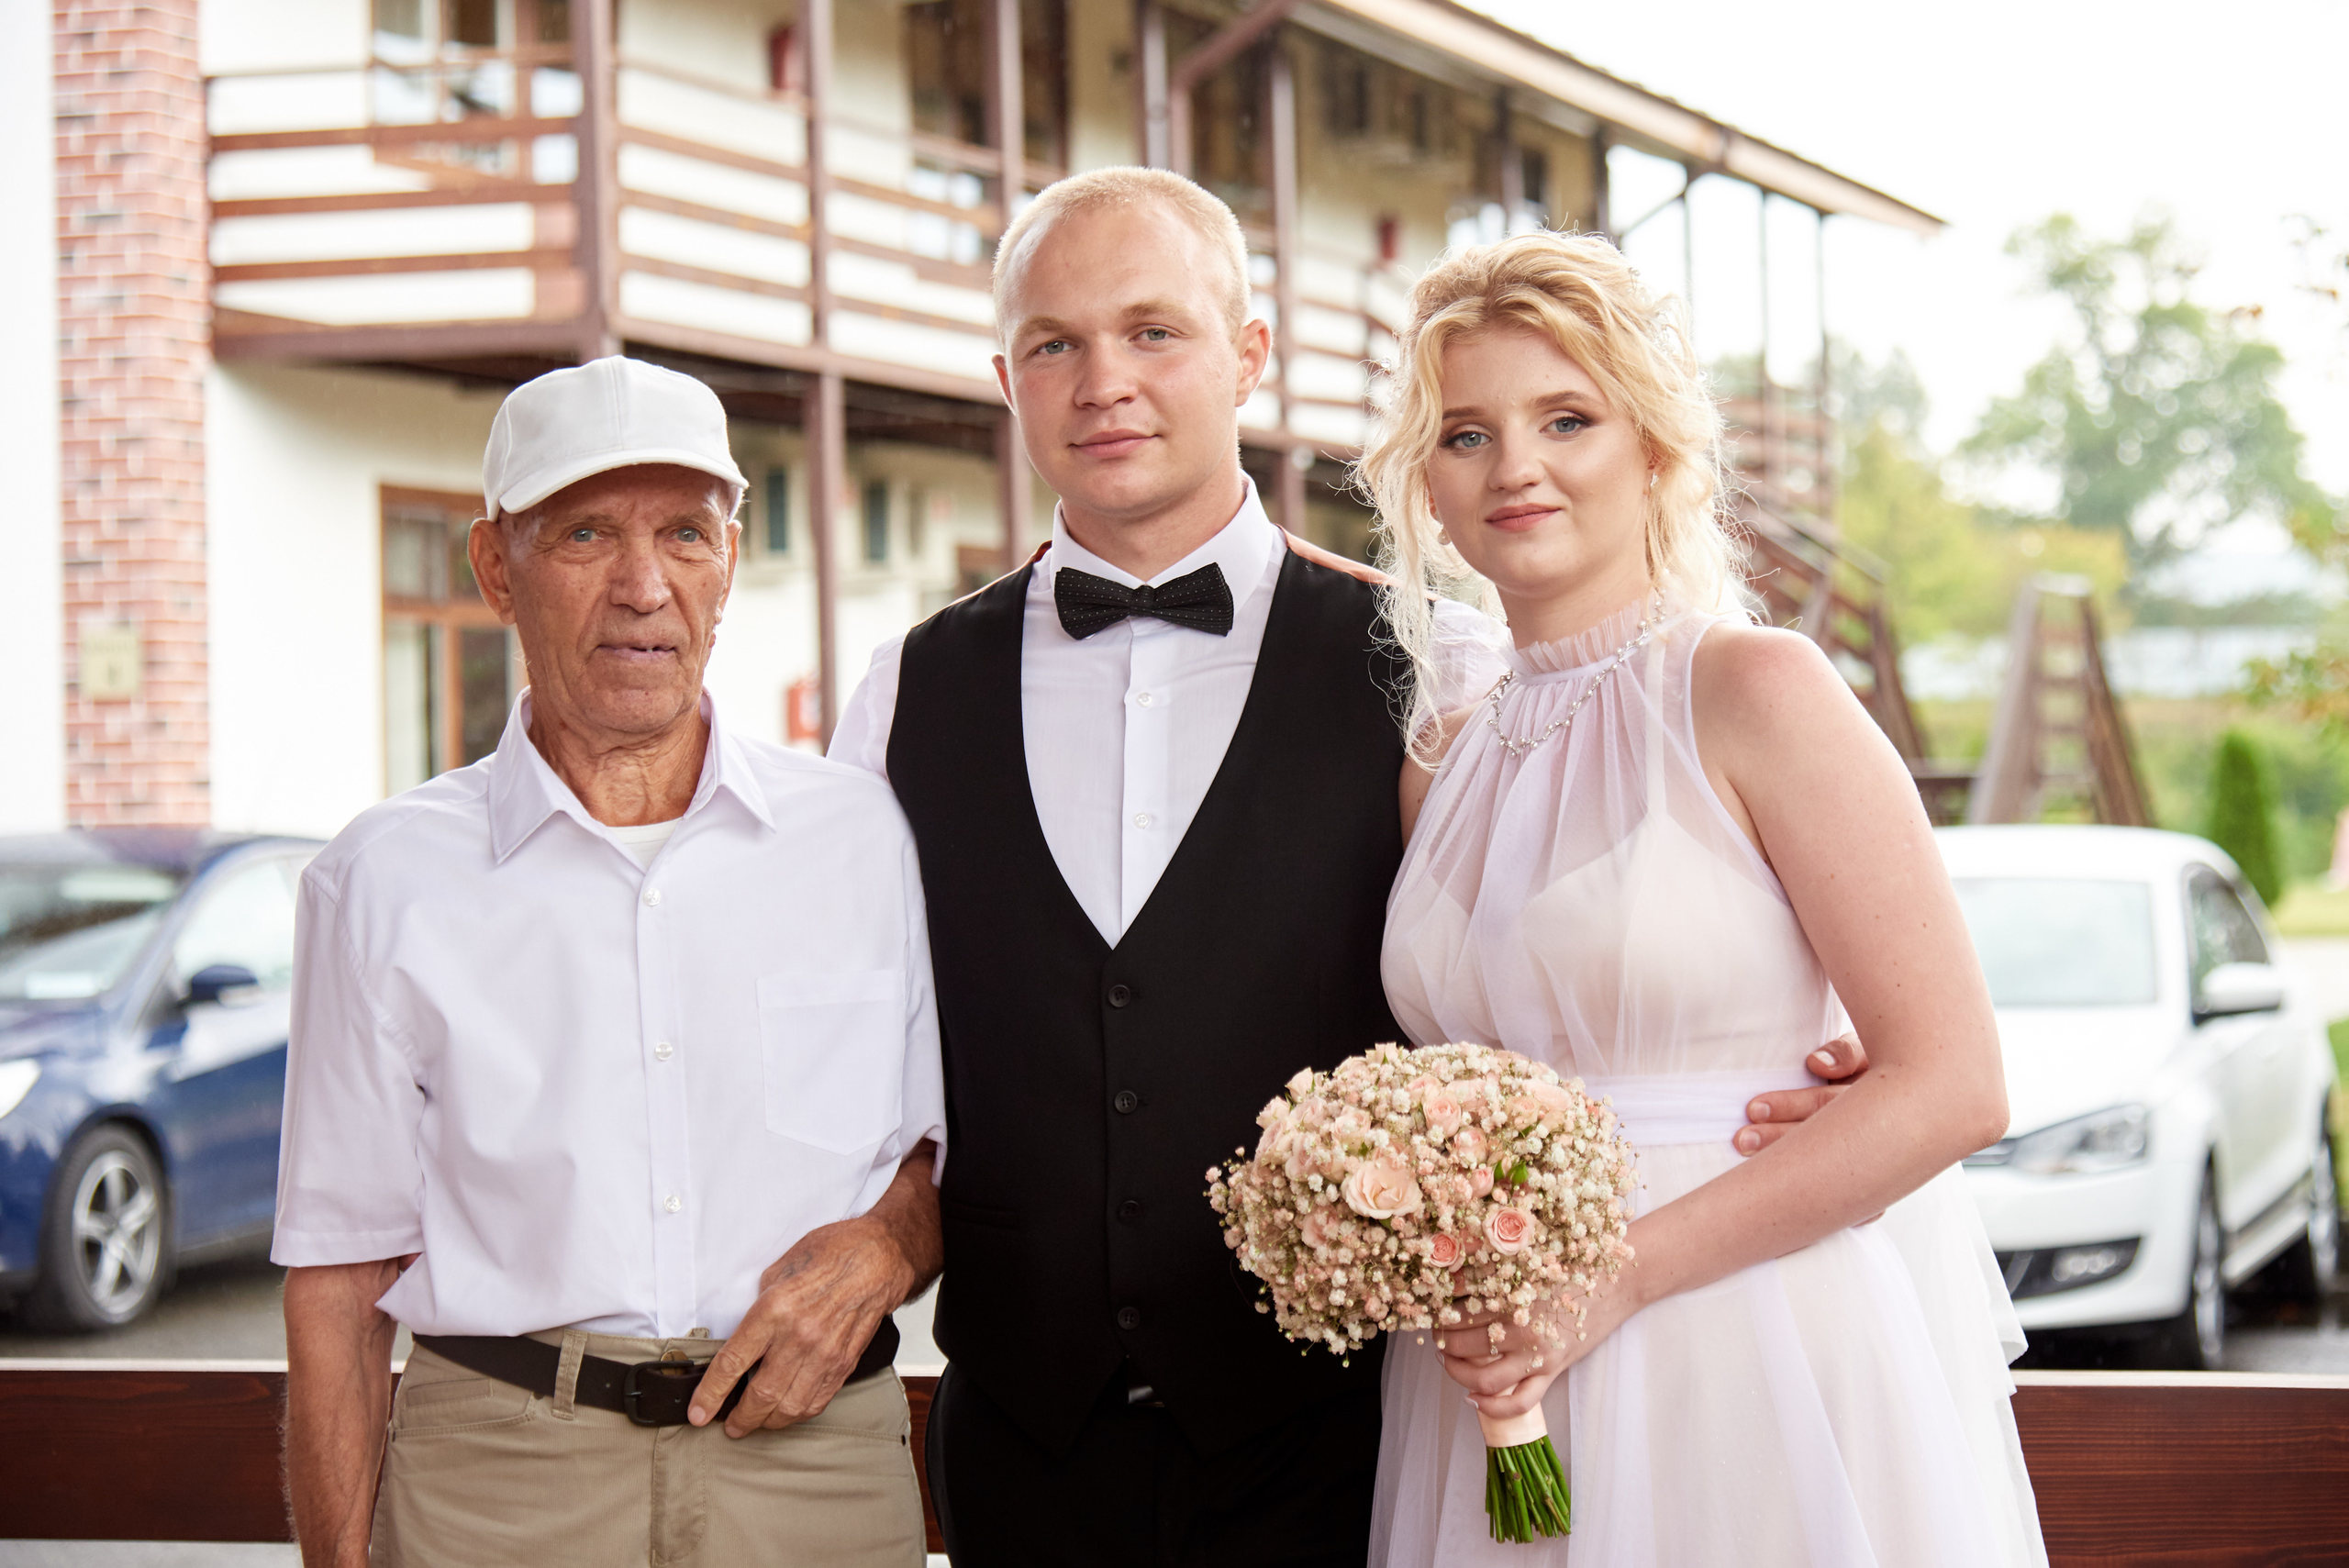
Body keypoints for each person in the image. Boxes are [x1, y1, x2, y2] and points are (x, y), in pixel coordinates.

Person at [829, 167, 1859, 1566]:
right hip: (1020, 1448)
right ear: (1006, 378)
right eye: (1054, 344)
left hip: (1342, 1443)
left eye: (1153, 331)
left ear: (1250, 354)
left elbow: (1586, 944)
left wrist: (1819, 1044)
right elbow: (848, 1047)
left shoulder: (1448, 671)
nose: (1103, 382)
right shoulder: (904, 692)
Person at [1365, 231, 2047, 1564]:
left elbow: (1956, 1081)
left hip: (1745, 1332)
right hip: (1502, 1367)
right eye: (1466, 435)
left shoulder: (1755, 690)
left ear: (1655, 449)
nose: (1516, 467)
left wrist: (1615, 1277)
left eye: (1568, 418)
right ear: (1428, 491)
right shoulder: (1437, 757)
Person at [276, 356, 942, 1568]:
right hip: (499, 1477)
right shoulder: (382, 878)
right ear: (494, 567)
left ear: (729, 562)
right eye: (586, 532)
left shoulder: (861, 837)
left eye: (685, 532)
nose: (644, 587)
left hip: (809, 1464)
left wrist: (896, 1239)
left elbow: (940, 1155)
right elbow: (335, 1277)